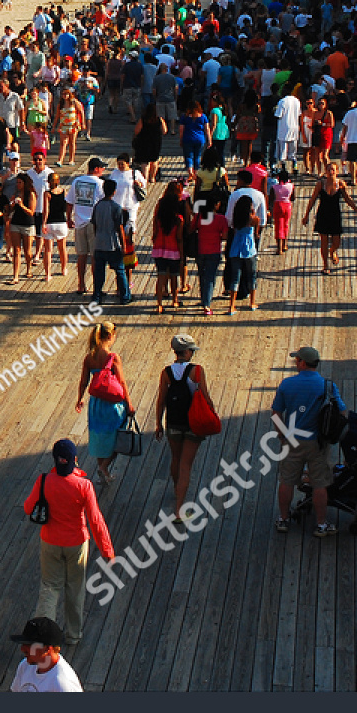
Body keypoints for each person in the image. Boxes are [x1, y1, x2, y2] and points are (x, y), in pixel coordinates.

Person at [22, 439, 114, 645]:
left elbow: (28, 508)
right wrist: (107, 551)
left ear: (55, 459)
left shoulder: (43, 480)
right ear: (75, 459)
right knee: (75, 587)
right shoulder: (84, 485)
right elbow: (96, 520)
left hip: (50, 541)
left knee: (50, 587)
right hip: (76, 543)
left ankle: (43, 636)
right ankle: (73, 635)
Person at [272, 346, 345, 536]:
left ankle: (283, 519)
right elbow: (343, 412)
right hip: (318, 443)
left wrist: (282, 434)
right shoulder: (328, 386)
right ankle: (321, 524)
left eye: (296, 360)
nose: (295, 363)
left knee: (287, 480)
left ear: (302, 363)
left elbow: (276, 413)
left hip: (292, 440)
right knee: (319, 483)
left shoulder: (287, 385)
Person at [155, 335, 216, 520]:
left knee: (176, 458)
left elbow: (161, 399)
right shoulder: (196, 371)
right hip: (193, 422)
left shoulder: (166, 372)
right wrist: (212, 413)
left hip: (173, 421)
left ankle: (177, 489)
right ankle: (179, 509)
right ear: (187, 352)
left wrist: (158, 423)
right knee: (186, 465)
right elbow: (205, 396)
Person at [76, 321, 133, 485]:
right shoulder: (113, 358)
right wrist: (129, 403)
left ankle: (104, 470)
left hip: (96, 404)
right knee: (118, 436)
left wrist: (80, 398)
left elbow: (83, 381)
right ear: (110, 336)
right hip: (112, 404)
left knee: (100, 437)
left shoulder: (89, 358)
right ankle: (104, 467)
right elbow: (122, 383)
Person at [303, 161, 357, 275]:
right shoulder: (320, 184)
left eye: (333, 170)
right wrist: (306, 215)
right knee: (324, 241)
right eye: (329, 170)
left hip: (335, 215)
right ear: (326, 172)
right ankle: (325, 265)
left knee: (336, 241)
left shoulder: (341, 184)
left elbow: (347, 199)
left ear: (337, 172)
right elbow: (312, 200)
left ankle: (332, 251)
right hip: (323, 214)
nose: (331, 172)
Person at [8, 616, 83, 692]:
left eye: (30, 645)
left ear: (47, 649)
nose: (22, 649)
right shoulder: (25, 665)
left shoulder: (62, 684)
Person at [90, 180, 131, 305]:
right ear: (114, 191)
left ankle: (97, 296)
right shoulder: (116, 207)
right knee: (120, 270)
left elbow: (94, 224)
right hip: (112, 244)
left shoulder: (97, 206)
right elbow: (119, 228)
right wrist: (124, 245)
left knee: (99, 272)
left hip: (99, 243)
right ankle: (125, 296)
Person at [69, 158, 105, 294]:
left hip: (79, 222)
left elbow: (69, 201)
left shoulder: (77, 181)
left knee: (81, 255)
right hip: (94, 223)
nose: (103, 171)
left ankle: (81, 284)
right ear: (96, 169)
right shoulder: (100, 184)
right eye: (102, 168)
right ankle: (96, 287)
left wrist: (68, 218)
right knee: (95, 256)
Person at [151, 180, 187, 314]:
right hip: (173, 250)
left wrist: (154, 236)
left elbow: (155, 224)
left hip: (159, 247)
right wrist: (182, 254)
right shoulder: (178, 219)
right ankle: (175, 300)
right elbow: (179, 238)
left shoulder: (160, 216)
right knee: (174, 277)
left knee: (160, 277)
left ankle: (159, 304)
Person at [223, 192, 260, 313]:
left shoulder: (236, 219)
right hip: (249, 249)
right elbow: (256, 232)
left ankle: (231, 305)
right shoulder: (253, 219)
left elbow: (233, 231)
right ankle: (252, 303)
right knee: (252, 275)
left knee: (235, 277)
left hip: (236, 248)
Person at [38, 173, 71, 282]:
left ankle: (48, 274)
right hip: (61, 223)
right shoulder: (64, 192)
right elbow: (66, 207)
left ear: (48, 182)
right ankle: (63, 269)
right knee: (62, 248)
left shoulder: (47, 194)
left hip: (50, 223)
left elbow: (46, 210)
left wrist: (43, 223)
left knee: (48, 250)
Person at [269, 168, 294, 254]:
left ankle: (279, 248)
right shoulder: (291, 186)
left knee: (278, 226)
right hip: (287, 205)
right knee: (286, 225)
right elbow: (293, 197)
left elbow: (271, 198)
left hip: (278, 205)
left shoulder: (274, 187)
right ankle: (285, 244)